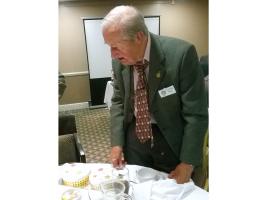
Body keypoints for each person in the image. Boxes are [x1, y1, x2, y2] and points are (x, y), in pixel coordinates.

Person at [101, 5, 208, 184]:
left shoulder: (181, 55)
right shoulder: (120, 62)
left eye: (116, 46)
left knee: (172, 192)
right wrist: (117, 144)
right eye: (109, 47)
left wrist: (188, 162)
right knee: (136, 188)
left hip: (171, 139)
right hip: (135, 138)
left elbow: (195, 113)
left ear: (139, 37)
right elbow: (119, 102)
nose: (112, 54)